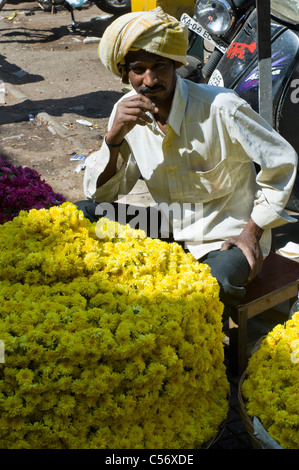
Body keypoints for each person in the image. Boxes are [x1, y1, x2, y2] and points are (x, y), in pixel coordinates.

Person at [76, 7, 298, 308]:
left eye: (160, 66)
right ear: (125, 72)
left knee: (209, 288)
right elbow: (104, 193)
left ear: (175, 65)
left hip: (226, 237)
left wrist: (252, 233)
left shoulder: (221, 107)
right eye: (138, 69)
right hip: (168, 226)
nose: (150, 80)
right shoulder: (126, 112)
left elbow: (282, 161)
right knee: (83, 215)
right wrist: (112, 140)